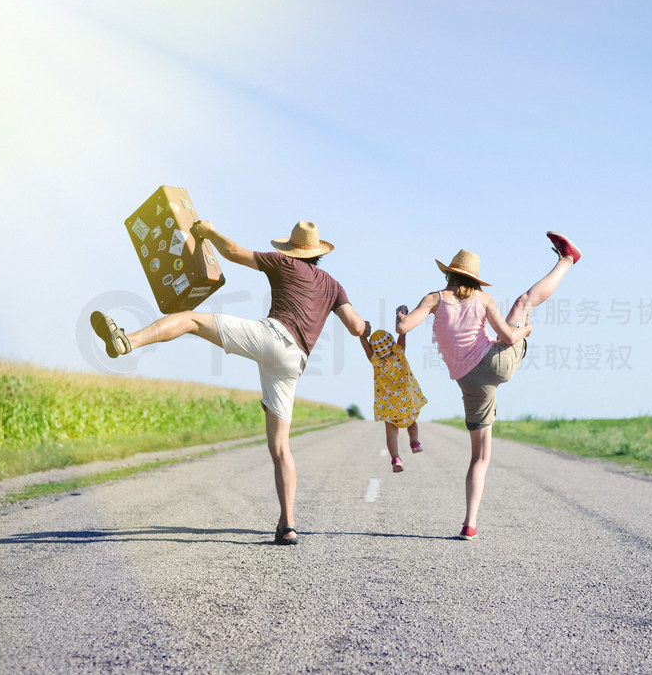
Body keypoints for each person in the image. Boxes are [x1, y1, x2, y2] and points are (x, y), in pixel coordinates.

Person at [90, 220, 371, 546]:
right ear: (318, 253)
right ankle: (288, 525)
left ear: (293, 249)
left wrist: (208, 232)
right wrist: (372, 335)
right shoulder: (333, 285)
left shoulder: (283, 262)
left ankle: (129, 341)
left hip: (272, 336)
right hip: (295, 361)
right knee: (281, 448)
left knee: (191, 319)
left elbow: (234, 252)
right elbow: (355, 326)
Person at [394, 232, 581, 540]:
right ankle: (567, 260)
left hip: (469, 382)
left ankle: (470, 524)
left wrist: (401, 311)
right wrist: (528, 329)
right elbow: (508, 338)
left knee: (478, 457)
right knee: (524, 302)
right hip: (496, 363)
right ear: (475, 279)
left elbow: (402, 327)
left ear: (449, 274)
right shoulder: (484, 299)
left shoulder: (433, 299)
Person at [359, 329, 427, 473]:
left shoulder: (375, 360)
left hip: (388, 405)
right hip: (406, 401)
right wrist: (401, 318)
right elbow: (402, 333)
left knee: (391, 434)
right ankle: (414, 442)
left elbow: (365, 346)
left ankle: (396, 459)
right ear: (391, 343)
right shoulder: (399, 354)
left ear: (374, 348)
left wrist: (362, 333)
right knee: (412, 423)